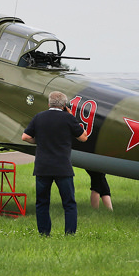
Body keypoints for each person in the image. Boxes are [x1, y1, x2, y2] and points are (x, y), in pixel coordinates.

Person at [21, 91, 89, 236]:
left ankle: (44, 233)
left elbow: (25, 137)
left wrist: (39, 141)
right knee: (69, 203)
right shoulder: (68, 118)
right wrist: (71, 116)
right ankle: (69, 233)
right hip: (62, 167)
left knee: (42, 203)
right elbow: (83, 138)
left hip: (42, 167)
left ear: (49, 103)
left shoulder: (39, 117)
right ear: (64, 105)